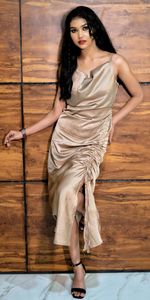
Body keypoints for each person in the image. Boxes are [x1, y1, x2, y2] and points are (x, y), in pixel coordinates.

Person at [4, 5, 143, 299]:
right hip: (64, 140)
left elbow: (138, 95)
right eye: (73, 30)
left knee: (68, 194)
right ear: (69, 35)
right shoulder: (68, 66)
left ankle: (82, 242)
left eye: (84, 27)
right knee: (68, 199)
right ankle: (78, 266)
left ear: (94, 28)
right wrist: (24, 132)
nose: (79, 34)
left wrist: (112, 121)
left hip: (92, 139)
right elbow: (57, 111)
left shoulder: (115, 62)